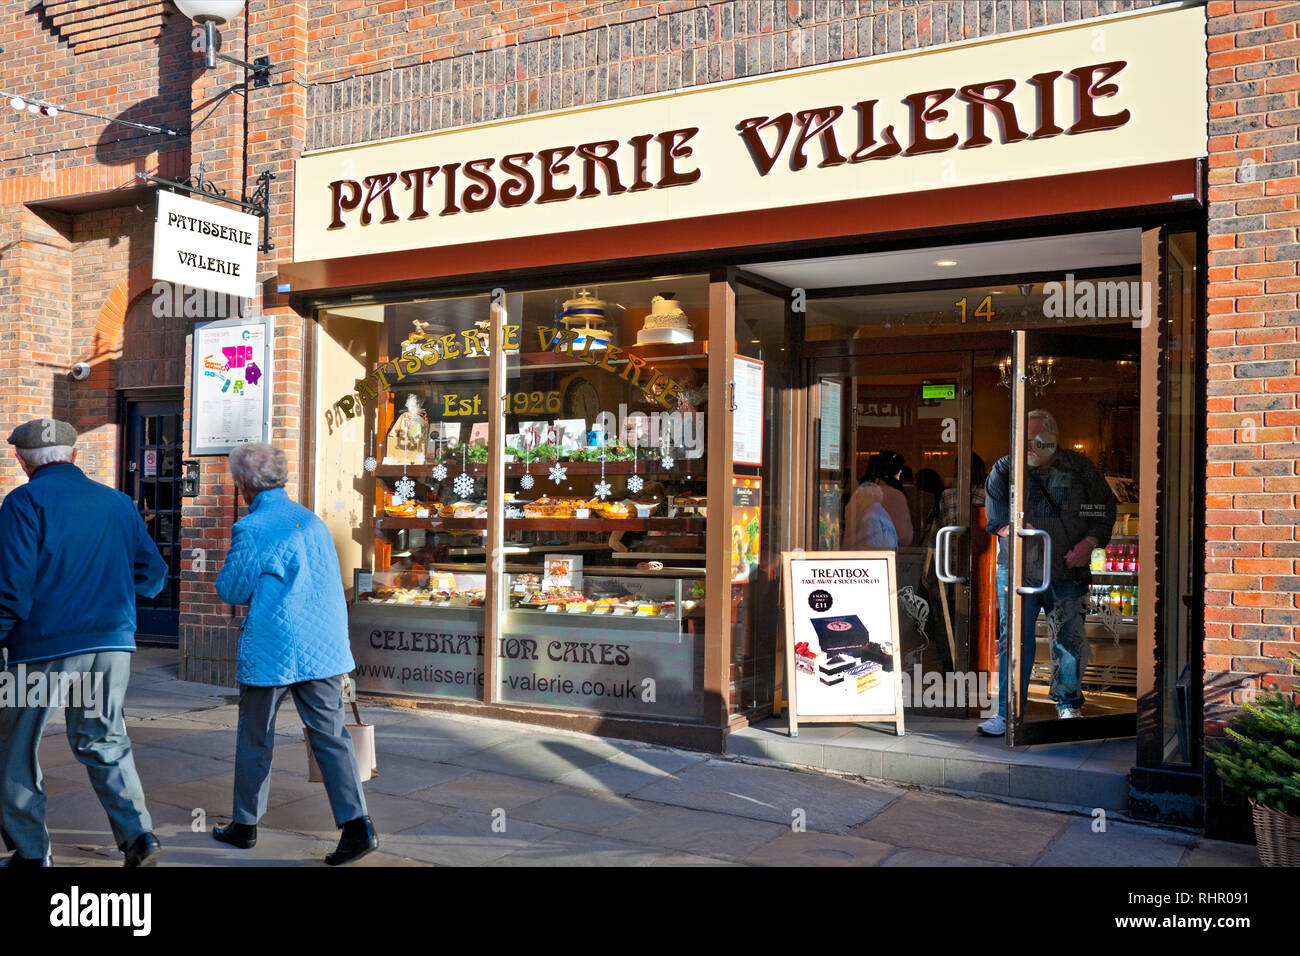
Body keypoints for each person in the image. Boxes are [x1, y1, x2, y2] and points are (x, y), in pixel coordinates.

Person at [0, 418, 167, 867]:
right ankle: (139, 837)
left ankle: (32, 854)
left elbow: (11, 588)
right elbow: (153, 577)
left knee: (14, 748)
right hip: (111, 646)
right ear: (75, 455)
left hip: (41, 648)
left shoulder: (22, 502)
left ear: (21, 460)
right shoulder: (118, 503)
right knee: (103, 738)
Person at [213, 442, 378, 865]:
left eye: (237, 481)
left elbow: (231, 589)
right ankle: (357, 826)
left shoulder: (254, 527)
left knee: (256, 735)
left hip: (275, 646)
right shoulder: (311, 520)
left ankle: (245, 824)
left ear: (245, 483)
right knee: (330, 736)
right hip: (322, 645)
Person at [979, 410, 1116, 735]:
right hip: (1018, 573)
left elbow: (1104, 509)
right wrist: (1014, 529)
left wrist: (1089, 543)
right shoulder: (1004, 468)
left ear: (1052, 438)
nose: (1029, 445)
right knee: (1014, 642)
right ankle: (1007, 712)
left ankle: (1068, 707)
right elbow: (996, 520)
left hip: (1067, 570)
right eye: (1024, 439)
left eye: (1035, 439)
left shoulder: (1079, 467)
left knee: (1068, 641)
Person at [863, 451, 913, 547]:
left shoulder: (859, 494)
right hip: (885, 555)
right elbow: (904, 537)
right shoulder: (895, 496)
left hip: (854, 555)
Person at [842, 479, 898, 549]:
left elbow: (869, 550)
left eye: (858, 497)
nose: (857, 502)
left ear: (865, 497)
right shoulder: (881, 512)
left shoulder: (871, 517)